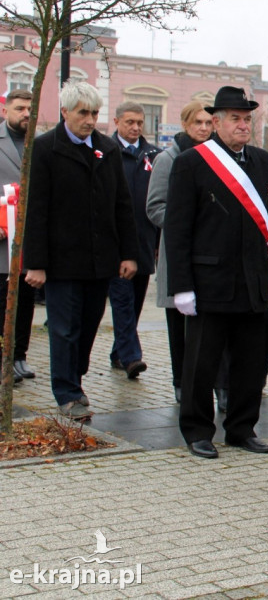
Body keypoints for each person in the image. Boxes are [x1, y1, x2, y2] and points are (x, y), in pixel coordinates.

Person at [164, 86, 268, 459]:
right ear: (216, 122)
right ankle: (198, 430)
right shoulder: (192, 163)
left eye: (247, 118)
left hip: (255, 282)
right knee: (202, 362)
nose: (242, 125)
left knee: (251, 361)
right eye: (234, 118)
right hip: (209, 283)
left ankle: (241, 428)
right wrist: (181, 287)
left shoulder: (265, 163)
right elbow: (177, 229)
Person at [23, 80, 138, 420]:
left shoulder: (108, 148)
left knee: (88, 326)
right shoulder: (46, 148)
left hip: (100, 259)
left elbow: (122, 204)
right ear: (65, 113)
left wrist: (128, 253)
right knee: (64, 328)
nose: (90, 120)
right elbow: (36, 209)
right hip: (61, 261)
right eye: (83, 113)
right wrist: (36, 263)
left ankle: (75, 377)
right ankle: (67, 391)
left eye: (95, 113)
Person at [147, 100, 214, 403]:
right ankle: (180, 382)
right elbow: (155, 207)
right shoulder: (168, 159)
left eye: (208, 122)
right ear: (186, 124)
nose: (203, 128)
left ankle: (211, 383)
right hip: (179, 252)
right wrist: (185, 226)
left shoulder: (218, 157)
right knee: (179, 322)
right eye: (197, 122)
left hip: (212, 254)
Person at [107, 101, 160, 379]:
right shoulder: (106, 152)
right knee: (122, 300)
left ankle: (118, 351)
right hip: (116, 245)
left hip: (144, 241)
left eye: (140, 122)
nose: (136, 127)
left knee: (136, 302)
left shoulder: (153, 155)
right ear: (117, 122)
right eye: (130, 122)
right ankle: (131, 357)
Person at [0, 89, 38, 384]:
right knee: (3, 300)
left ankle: (20, 356)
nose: (26, 113)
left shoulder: (38, 144)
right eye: (20, 108)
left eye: (30, 108)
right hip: (2, 236)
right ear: (6, 111)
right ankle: (4, 360)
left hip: (29, 238)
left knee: (25, 299)